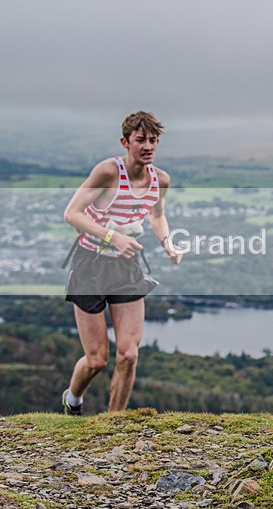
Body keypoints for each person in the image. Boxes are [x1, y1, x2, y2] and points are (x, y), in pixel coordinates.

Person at [61, 111, 181, 415]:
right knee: (97, 359)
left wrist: (168, 243)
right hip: (90, 264)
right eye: (140, 140)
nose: (148, 146)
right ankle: (73, 400)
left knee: (128, 355)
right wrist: (111, 237)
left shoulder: (160, 179)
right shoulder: (107, 172)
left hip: (126, 266)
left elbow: (156, 215)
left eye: (153, 140)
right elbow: (72, 214)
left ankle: (114, 424)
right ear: (125, 142)